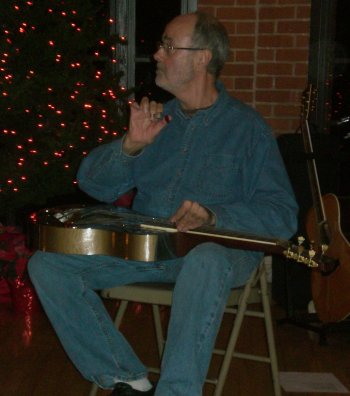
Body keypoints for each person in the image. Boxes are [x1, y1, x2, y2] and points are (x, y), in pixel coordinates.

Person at [28, 11, 298, 396]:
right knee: (48, 264)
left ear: (203, 57)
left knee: (205, 258)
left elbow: (282, 214)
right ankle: (127, 378)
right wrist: (131, 146)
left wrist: (215, 216)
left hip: (220, 253)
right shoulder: (157, 121)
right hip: (150, 249)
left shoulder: (247, 129)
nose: (156, 53)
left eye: (169, 46)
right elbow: (93, 185)